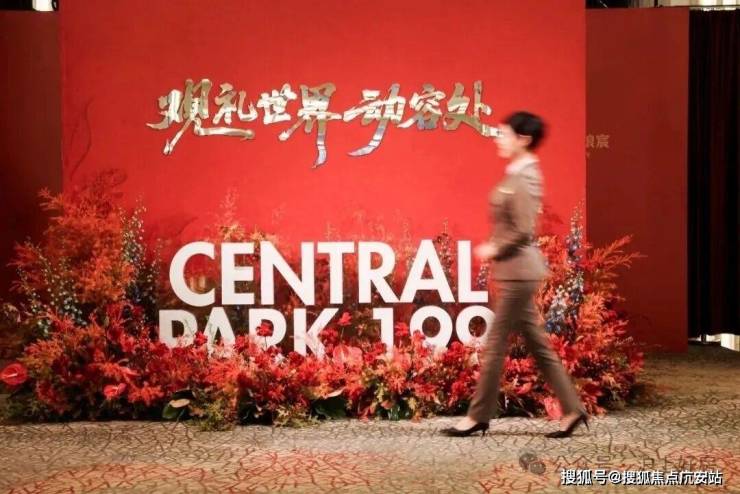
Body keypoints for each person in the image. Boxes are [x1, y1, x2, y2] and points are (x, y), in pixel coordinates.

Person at [439, 111, 589, 438]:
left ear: (524, 139)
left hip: (519, 272)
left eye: (504, 134)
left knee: (495, 344)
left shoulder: (525, 177)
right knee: (538, 345)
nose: (498, 138)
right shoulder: (517, 173)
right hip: (515, 272)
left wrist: (494, 248)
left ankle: (477, 416)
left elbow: (522, 229)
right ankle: (573, 409)